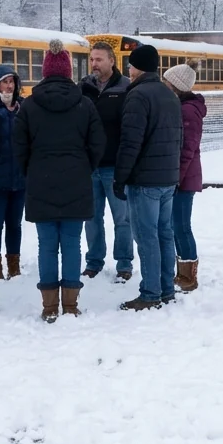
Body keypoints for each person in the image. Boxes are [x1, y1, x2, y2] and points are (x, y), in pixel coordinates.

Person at [15, 41, 104, 321]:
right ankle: (71, 304)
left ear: (43, 72)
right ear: (68, 72)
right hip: (76, 181)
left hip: (41, 181)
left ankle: (49, 305)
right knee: (72, 243)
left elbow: (18, 146)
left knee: (46, 245)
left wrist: (32, 169)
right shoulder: (84, 104)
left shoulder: (29, 105)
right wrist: (84, 166)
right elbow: (97, 143)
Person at [113, 43, 183, 311]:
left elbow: (131, 142)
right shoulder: (170, 95)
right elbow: (179, 138)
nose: (128, 69)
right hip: (168, 179)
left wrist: (121, 177)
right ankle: (166, 289)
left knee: (146, 237)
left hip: (144, 181)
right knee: (164, 235)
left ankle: (150, 293)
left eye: (130, 65)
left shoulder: (138, 96)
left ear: (138, 67)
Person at [79, 40, 133, 282]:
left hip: (115, 165)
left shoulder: (125, 88)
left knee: (122, 218)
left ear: (112, 61)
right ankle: (94, 261)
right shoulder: (83, 88)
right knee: (91, 218)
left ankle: (124, 263)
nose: (94, 64)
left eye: (99, 59)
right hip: (90, 166)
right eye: (92, 59)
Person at [162, 64, 205, 292]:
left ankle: (188, 277)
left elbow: (187, 148)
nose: (164, 85)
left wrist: (176, 178)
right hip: (183, 176)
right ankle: (184, 273)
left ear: (176, 86)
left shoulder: (188, 111)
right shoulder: (184, 107)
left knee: (181, 225)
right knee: (176, 225)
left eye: (167, 82)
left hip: (184, 179)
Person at [0, 64, 26, 283]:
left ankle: (14, 266)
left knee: (15, 224)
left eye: (12, 82)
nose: (9, 86)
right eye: (4, 82)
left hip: (19, 180)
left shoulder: (23, 109)